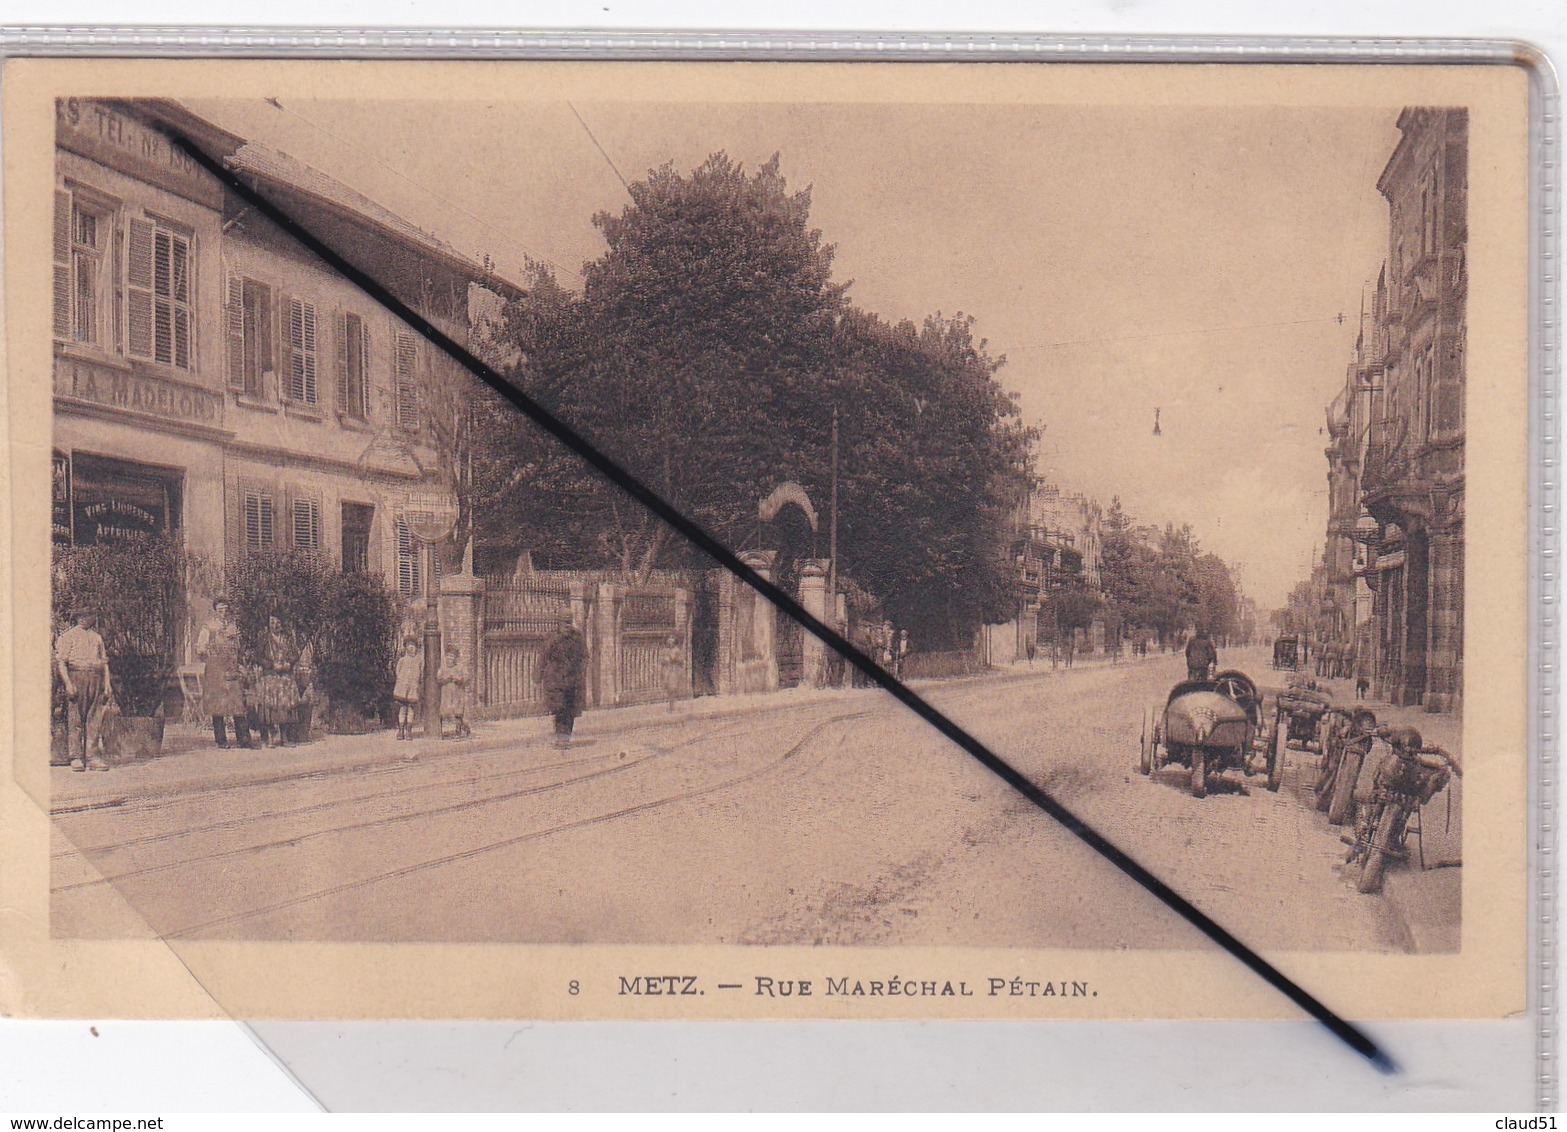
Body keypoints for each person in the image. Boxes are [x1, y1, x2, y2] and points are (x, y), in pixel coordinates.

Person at [55, 609, 113, 772]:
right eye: (84, 615)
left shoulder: (97, 638)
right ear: (78, 617)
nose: (87, 618)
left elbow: (104, 663)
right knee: (76, 718)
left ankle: (92, 756)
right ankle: (75, 757)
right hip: (76, 675)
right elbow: (61, 663)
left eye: (90, 615)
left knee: (94, 718)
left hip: (95, 677)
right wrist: (68, 683)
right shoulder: (68, 636)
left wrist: (107, 684)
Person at [196, 599, 249, 749]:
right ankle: (221, 740)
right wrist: (208, 653)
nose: (223, 612)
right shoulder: (209, 627)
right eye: (220, 610)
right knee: (217, 704)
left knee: (237, 702)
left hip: (232, 667)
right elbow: (200, 648)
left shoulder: (233, 626)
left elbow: (240, 647)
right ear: (215, 611)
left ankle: (243, 738)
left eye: (225, 609)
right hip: (215, 669)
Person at [540, 614, 587, 749]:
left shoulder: (577, 638)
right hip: (556, 680)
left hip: (572, 680)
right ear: (558, 623)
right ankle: (561, 737)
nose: (567, 625)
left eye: (569, 622)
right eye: (564, 622)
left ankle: (565, 739)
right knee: (559, 708)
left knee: (569, 711)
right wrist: (538, 675)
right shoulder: (552, 638)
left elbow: (585, 656)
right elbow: (544, 656)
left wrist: (580, 670)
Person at [253, 614, 300, 747]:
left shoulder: (287, 639)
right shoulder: (264, 640)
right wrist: (271, 665)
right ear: (268, 624)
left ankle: (284, 738)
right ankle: (269, 737)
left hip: (285, 677)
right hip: (270, 676)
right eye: (272, 622)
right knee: (269, 707)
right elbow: (257, 657)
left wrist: (289, 664)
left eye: (278, 622)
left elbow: (296, 654)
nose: (275, 625)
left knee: (285, 707)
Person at [437, 644, 471, 739]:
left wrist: (458, 679)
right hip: (446, 694)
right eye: (448, 656)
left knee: (458, 713)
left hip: (457, 694)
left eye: (452, 656)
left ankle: (458, 731)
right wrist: (446, 678)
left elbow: (466, 678)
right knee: (444, 712)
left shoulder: (459, 668)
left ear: (456, 658)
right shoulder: (443, 668)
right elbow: (438, 679)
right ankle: (441, 731)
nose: (450, 658)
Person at [393, 637, 422, 741]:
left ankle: (409, 730)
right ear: (405, 648)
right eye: (409, 646)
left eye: (413, 646)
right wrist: (401, 680)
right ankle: (400, 730)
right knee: (402, 708)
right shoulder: (402, 660)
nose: (411, 648)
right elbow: (398, 671)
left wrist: (417, 682)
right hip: (402, 688)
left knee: (410, 709)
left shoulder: (418, 661)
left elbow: (421, 673)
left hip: (413, 688)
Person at [660, 634, 684, 712]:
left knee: (673, 688)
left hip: (674, 671)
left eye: (671, 642)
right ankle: (670, 706)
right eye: (668, 642)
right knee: (668, 688)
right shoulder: (665, 650)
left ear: (674, 642)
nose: (670, 643)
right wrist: (665, 660)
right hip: (667, 671)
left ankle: (673, 707)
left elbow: (681, 660)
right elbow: (662, 660)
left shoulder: (677, 650)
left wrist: (675, 659)